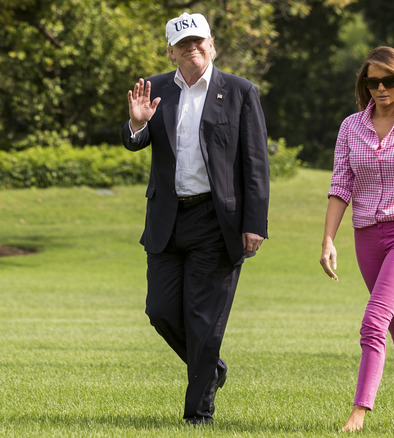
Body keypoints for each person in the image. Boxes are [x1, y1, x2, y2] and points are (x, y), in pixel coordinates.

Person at [121, 12, 269, 425]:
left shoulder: (240, 91)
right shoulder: (156, 89)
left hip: (217, 221)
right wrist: (136, 124)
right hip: (167, 220)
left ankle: (197, 414)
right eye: (184, 44)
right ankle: (212, 367)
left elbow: (256, 163)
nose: (193, 48)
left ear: (212, 44)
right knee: (161, 310)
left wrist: (255, 223)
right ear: (171, 51)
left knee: (204, 320)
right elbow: (137, 140)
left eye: (199, 41)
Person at [319, 46, 394, 432]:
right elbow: (341, 185)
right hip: (367, 235)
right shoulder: (350, 127)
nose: (381, 88)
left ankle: (359, 411)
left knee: (374, 320)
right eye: (373, 82)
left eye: (388, 81)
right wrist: (328, 240)